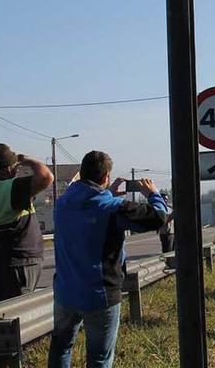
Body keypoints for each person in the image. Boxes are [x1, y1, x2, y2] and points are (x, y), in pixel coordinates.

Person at [48, 150, 168, 368]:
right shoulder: (112, 208)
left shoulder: (63, 203)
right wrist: (153, 194)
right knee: (99, 359)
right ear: (106, 178)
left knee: (61, 347)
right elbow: (158, 218)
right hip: (99, 295)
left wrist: (107, 193)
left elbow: (88, 209)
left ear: (81, 173)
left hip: (65, 292)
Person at [0, 143, 53, 304]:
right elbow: (46, 177)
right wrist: (28, 160)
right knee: (15, 317)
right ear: (9, 169)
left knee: (1, 313)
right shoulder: (10, 187)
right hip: (15, 264)